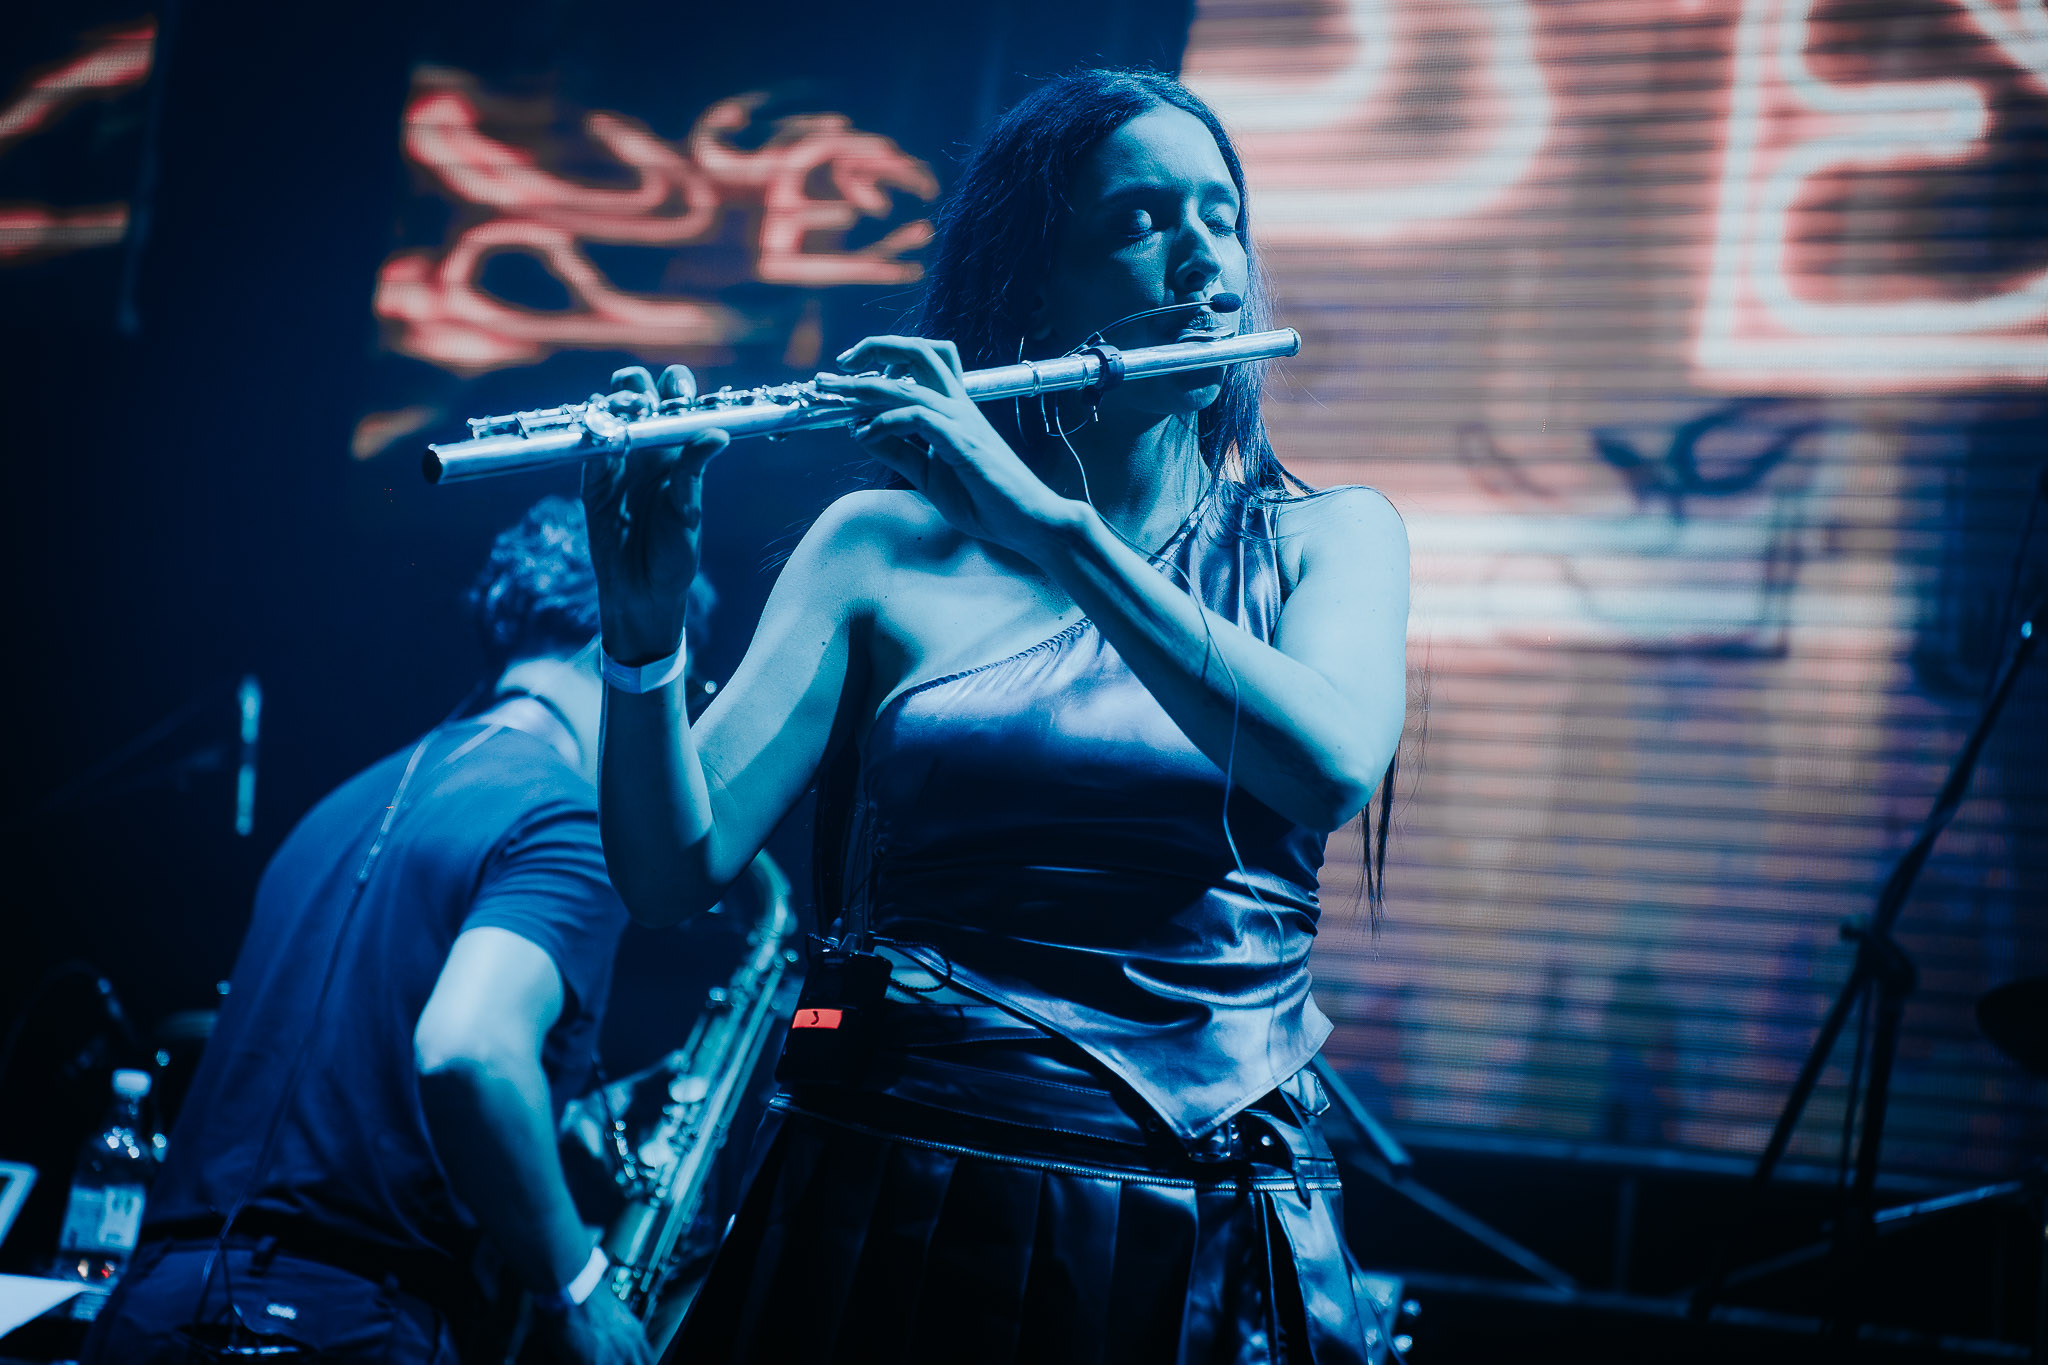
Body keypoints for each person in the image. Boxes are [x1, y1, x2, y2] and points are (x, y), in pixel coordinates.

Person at [585, 68, 1409, 1363]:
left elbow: (1327, 765)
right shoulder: (876, 545)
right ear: (1033, 289)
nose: (1204, 255)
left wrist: (1049, 528)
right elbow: (666, 874)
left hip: (1193, 1212)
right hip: (891, 1189)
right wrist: (640, 645)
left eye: (1223, 214)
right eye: (1139, 220)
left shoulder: (1328, 539)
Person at [84, 497, 652, 1365]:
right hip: (345, 1323)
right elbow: (469, 1050)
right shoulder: (567, 816)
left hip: (151, 1307)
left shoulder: (338, 806)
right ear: (625, 637)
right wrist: (576, 1287)